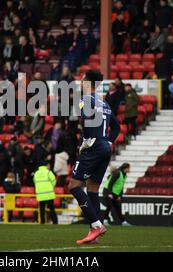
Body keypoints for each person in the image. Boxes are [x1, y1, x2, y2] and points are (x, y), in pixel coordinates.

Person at [69, 70, 120, 245]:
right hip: (105, 147)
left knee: (74, 186)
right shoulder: (105, 103)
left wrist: (87, 141)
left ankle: (96, 225)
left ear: (88, 82)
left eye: (82, 79)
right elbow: (117, 127)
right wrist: (108, 142)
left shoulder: (85, 100)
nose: (80, 82)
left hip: (93, 146)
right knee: (92, 189)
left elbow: (87, 120)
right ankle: (95, 236)